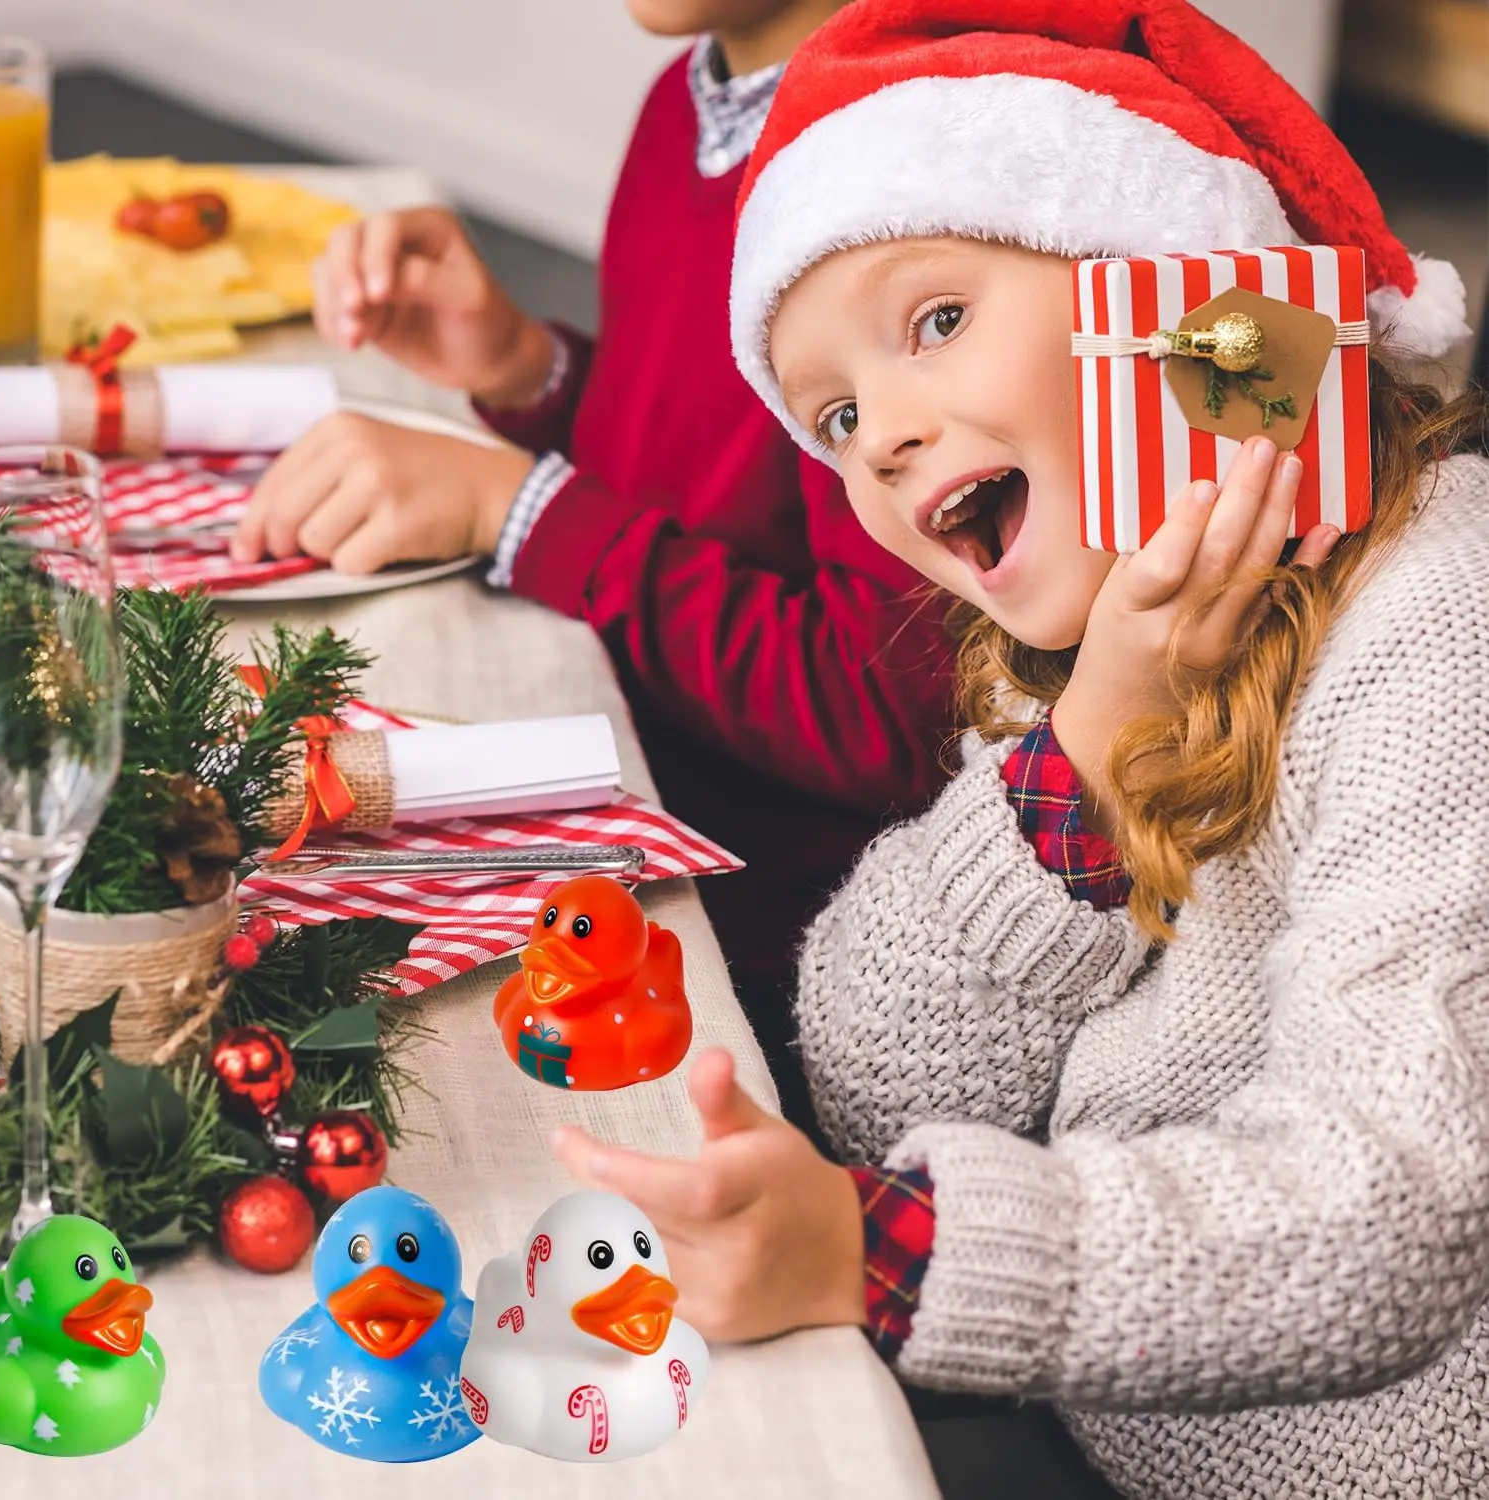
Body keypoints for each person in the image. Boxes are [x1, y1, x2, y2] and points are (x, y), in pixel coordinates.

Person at [548, 3, 1489, 1497]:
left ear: (1173, 290)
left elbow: (1405, 1202)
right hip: (1101, 1427)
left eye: (935, 323)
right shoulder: (1067, 639)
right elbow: (871, 1081)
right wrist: (1099, 737)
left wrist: (886, 1251)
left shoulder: (1436, 618)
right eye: (836, 413)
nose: (881, 440)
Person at [228, 0, 958, 1134]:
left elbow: (890, 710)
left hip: (746, 942)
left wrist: (515, 509)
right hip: (631, 779)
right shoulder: (693, 99)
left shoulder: (888, 167)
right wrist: (528, 369)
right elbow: (722, 477)